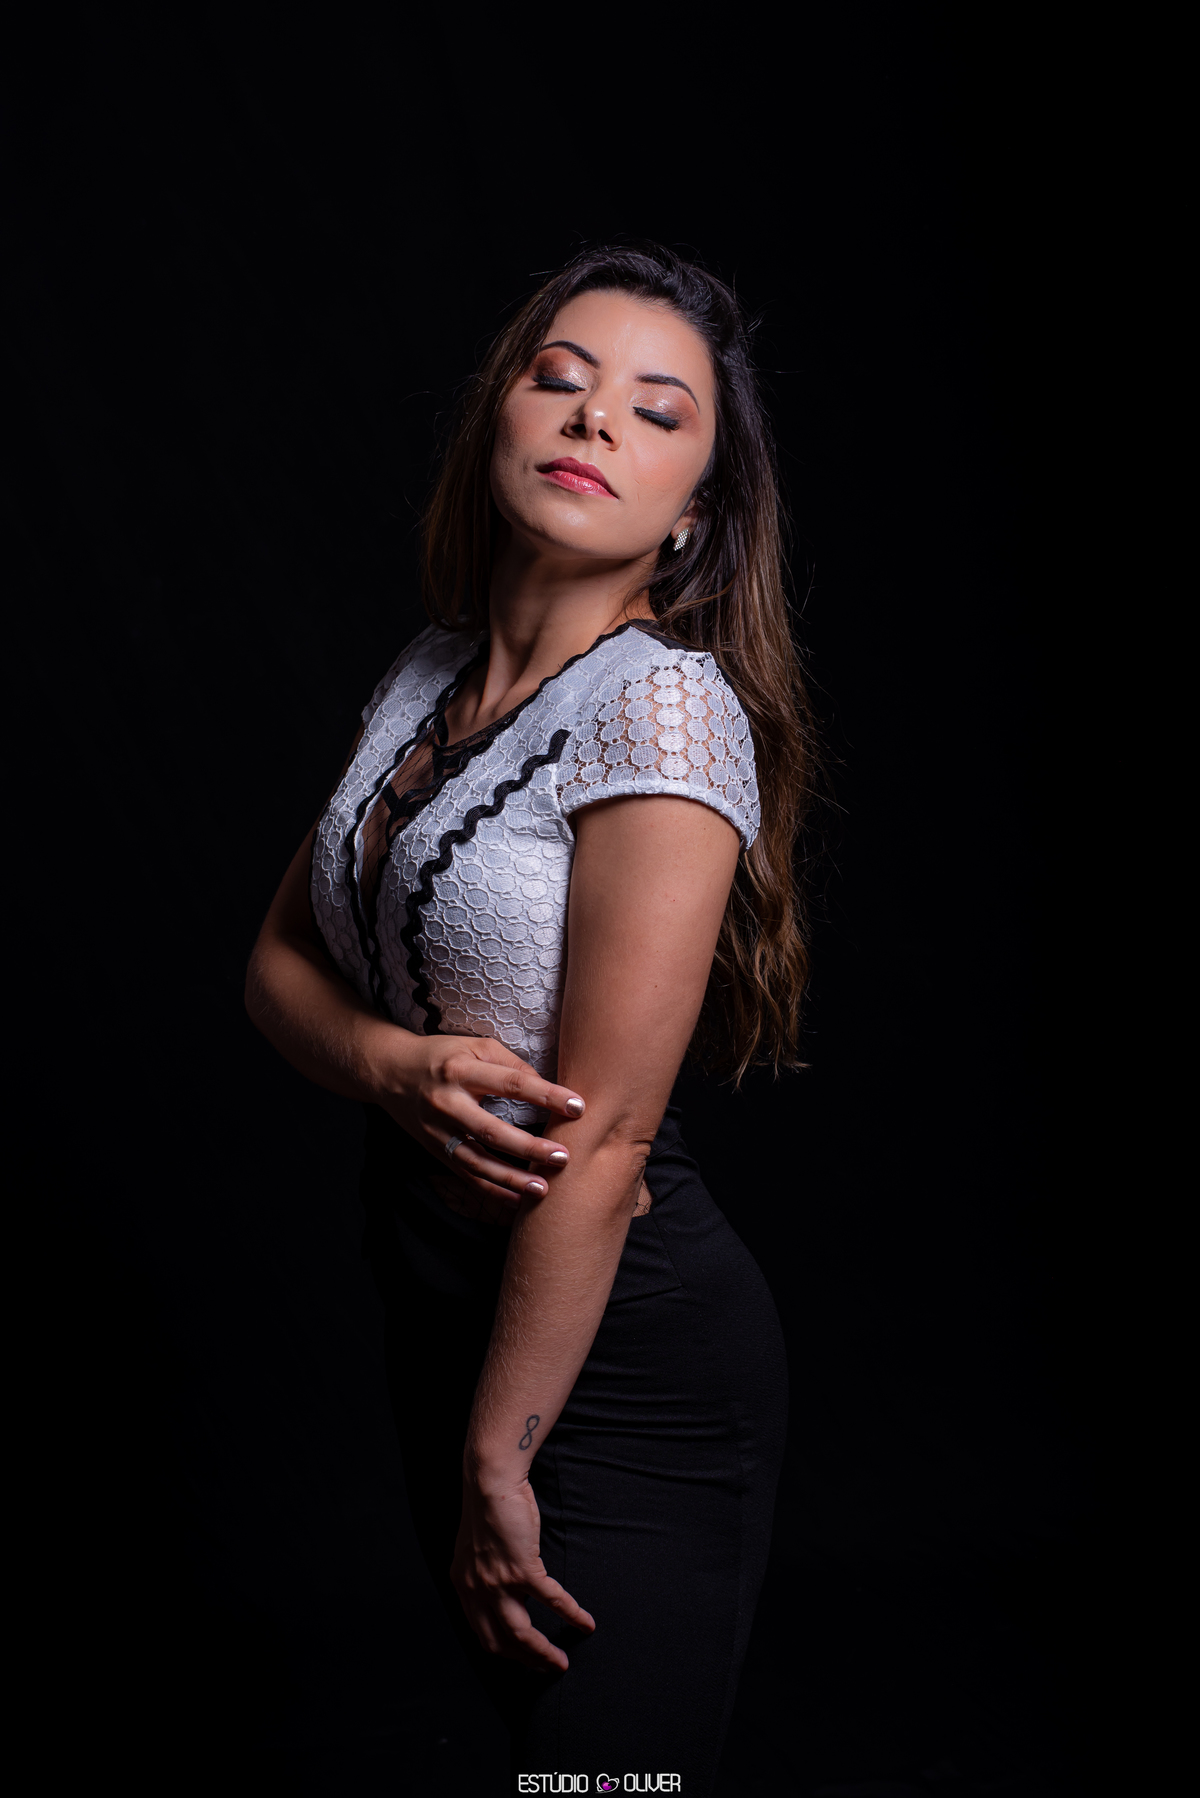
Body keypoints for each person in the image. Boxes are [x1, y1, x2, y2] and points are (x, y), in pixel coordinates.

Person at [246, 242, 816, 1794]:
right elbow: (276, 965)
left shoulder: (661, 707)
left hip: (616, 1348)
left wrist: (499, 1448)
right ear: (498, 417)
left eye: (656, 409)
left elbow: (610, 1132)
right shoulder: (426, 677)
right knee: (546, 1761)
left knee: (604, 1782)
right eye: (559, 379)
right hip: (440, 1305)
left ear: (693, 511)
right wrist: (394, 1064)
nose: (594, 419)